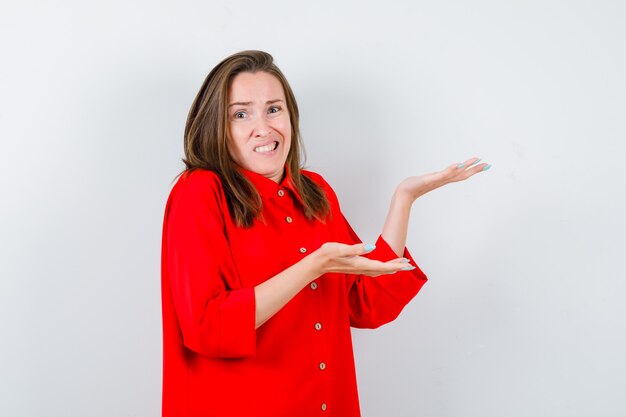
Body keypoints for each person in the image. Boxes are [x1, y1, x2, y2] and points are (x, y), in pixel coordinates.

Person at [160, 50, 490, 417]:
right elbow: (207, 327)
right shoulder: (200, 191)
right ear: (215, 127)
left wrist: (404, 198)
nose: (264, 127)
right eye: (241, 114)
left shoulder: (314, 191)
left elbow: (366, 303)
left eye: (274, 109)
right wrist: (311, 267)